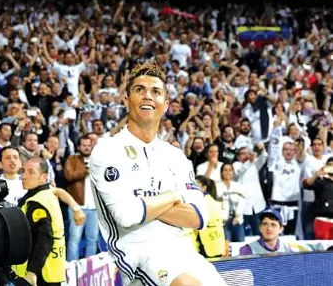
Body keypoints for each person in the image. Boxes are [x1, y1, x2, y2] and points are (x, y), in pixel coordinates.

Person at [90, 62, 227, 286]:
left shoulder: (175, 156)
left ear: (165, 105)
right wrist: (172, 196)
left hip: (182, 250)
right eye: (139, 90)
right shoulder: (107, 151)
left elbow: (199, 217)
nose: (147, 96)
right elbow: (127, 216)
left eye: (156, 91)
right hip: (139, 255)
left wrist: (144, 205)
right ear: (126, 100)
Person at [13, 157, 66, 286]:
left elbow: (45, 239)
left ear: (43, 177)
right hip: (51, 271)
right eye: (23, 171)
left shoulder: (37, 202)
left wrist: (32, 272)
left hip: (40, 274)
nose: (24, 176)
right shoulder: (47, 194)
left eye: (31, 172)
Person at [187, 176, 227, 259]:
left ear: (204, 188)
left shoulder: (203, 201)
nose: (191, 188)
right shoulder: (210, 200)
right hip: (215, 245)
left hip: (207, 244)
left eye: (195, 185)